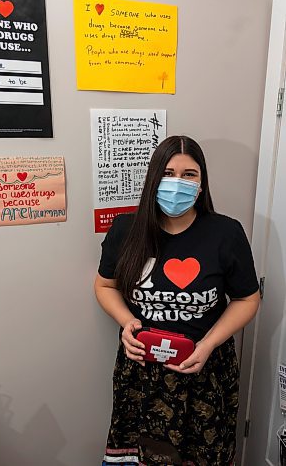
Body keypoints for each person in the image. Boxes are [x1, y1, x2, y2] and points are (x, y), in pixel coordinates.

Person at [95, 135, 260, 466]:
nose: (177, 183)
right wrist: (127, 323)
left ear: (201, 183)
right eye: (168, 173)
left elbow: (247, 299)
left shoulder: (226, 234)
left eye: (189, 174)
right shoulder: (126, 229)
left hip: (205, 369)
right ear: (153, 179)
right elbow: (105, 285)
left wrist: (209, 344)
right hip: (141, 371)